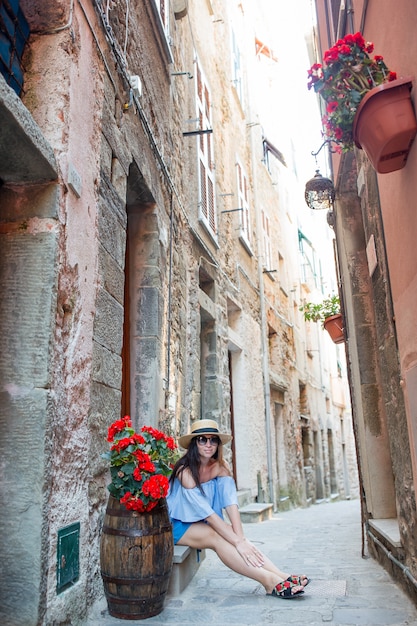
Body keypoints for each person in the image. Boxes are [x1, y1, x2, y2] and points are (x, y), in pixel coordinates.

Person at [167, 419, 309, 599]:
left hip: (200, 522)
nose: (209, 444)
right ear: (195, 443)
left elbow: (231, 504)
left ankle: (282, 576)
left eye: (213, 440)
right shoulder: (184, 471)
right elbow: (208, 514)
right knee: (217, 537)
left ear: (218, 444)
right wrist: (237, 543)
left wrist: (240, 538)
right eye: (202, 439)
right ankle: (269, 582)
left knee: (233, 534)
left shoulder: (219, 467)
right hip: (177, 524)